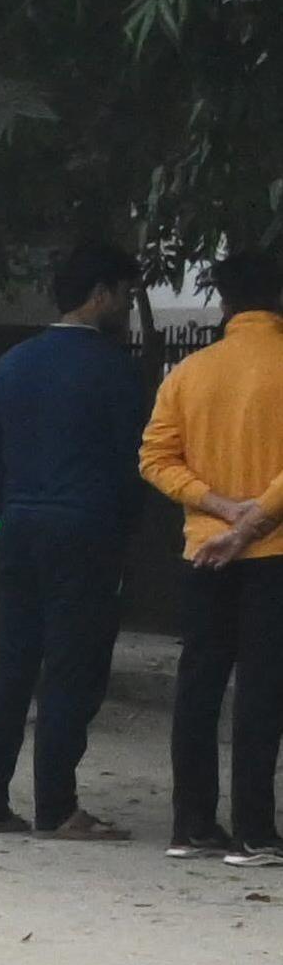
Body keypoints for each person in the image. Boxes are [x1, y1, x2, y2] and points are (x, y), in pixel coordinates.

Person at [0, 241, 152, 839]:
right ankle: (57, 805)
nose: (126, 307)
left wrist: (13, 506)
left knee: (11, 664)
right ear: (101, 294)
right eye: (125, 294)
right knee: (72, 668)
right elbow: (137, 462)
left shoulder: (14, 363)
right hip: (88, 530)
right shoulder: (116, 371)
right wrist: (122, 526)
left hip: (20, 527)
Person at [140, 246, 283, 862]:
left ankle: (192, 824)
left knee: (199, 683)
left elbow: (155, 458)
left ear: (224, 303)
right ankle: (254, 829)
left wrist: (219, 509)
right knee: (263, 689)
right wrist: (253, 521)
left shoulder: (189, 373)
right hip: (274, 551)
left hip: (203, 551)